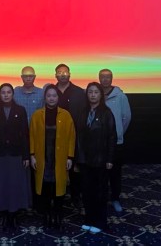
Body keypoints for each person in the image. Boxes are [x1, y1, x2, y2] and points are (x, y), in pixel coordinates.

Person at [30, 85, 76, 229]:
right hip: (43, 157)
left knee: (58, 187)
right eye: (49, 96)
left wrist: (70, 157)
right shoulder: (37, 115)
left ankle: (57, 215)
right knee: (44, 186)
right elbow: (31, 136)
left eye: (54, 96)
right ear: (45, 98)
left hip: (60, 157)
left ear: (58, 98)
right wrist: (32, 155)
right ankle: (46, 214)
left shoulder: (66, 115)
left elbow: (71, 137)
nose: (51, 98)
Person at [0, 83, 30, 230]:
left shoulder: (20, 110)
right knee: (0, 185)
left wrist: (26, 156)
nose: (6, 95)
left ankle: (13, 214)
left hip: (16, 154)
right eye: (3, 92)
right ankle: (2, 214)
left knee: (14, 185)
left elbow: (25, 134)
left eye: (8, 92)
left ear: (13, 94)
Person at [77, 83, 117, 234]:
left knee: (100, 192)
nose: (93, 95)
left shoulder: (106, 113)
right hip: (85, 159)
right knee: (87, 191)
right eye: (90, 92)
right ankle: (89, 219)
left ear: (101, 95)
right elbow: (79, 136)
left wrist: (110, 159)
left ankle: (100, 222)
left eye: (96, 92)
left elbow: (112, 137)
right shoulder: (83, 112)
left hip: (101, 159)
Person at [54, 64, 87, 211]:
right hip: (54, 135)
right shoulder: (51, 91)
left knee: (74, 168)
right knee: (55, 166)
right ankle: (56, 196)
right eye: (59, 72)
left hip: (74, 135)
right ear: (55, 75)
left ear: (70, 74)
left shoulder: (79, 92)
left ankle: (75, 197)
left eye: (65, 72)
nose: (62, 74)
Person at [99, 68, 132, 213]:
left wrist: (118, 134)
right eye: (102, 76)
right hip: (99, 143)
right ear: (99, 78)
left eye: (108, 77)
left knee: (115, 173)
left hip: (115, 144)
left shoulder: (120, 96)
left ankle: (115, 199)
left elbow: (126, 118)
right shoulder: (95, 94)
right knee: (99, 173)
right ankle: (100, 198)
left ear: (112, 78)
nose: (105, 79)